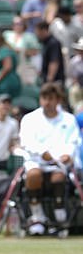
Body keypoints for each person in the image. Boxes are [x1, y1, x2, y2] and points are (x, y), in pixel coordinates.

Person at [19, 83, 79, 235]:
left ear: (58, 100)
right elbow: (26, 141)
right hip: (36, 160)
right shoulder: (30, 118)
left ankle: (59, 215)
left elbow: (72, 142)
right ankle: (37, 216)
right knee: (33, 175)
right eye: (44, 98)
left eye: (50, 98)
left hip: (58, 162)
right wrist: (41, 152)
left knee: (58, 178)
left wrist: (67, 154)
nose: (47, 102)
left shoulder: (68, 119)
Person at [35, 21, 65, 85]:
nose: (37, 34)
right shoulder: (44, 42)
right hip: (46, 79)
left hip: (54, 81)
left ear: (43, 30)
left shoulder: (53, 43)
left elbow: (54, 62)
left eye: (38, 32)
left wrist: (49, 79)